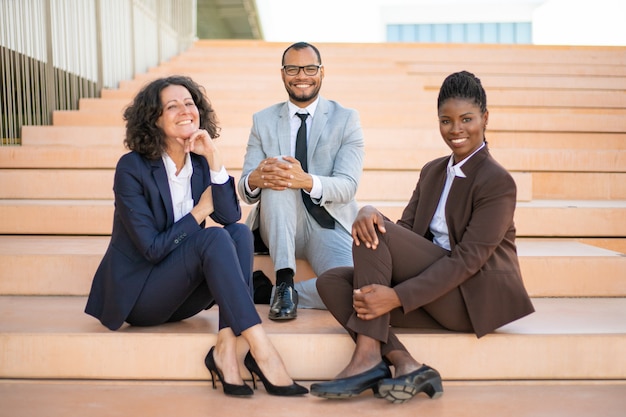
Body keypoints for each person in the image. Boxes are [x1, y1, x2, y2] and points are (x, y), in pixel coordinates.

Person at [310, 71, 535, 403]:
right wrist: (368, 210)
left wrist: (396, 297)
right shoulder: (433, 171)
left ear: (485, 119)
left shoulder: (497, 182)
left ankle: (368, 356)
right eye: (446, 120)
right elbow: (406, 232)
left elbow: (467, 261)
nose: (456, 129)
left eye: (466, 119)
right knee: (331, 281)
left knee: (375, 233)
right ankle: (406, 363)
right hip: (432, 292)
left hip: (470, 299)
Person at [84, 75, 308, 397]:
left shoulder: (200, 163)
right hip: (141, 297)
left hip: (182, 297)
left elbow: (230, 216)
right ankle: (262, 350)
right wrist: (199, 212)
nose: (184, 110)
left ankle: (226, 348)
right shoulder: (131, 169)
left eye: (189, 103)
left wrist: (215, 159)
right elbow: (151, 249)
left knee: (240, 234)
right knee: (213, 239)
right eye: (172, 106)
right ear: (154, 119)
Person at [237, 42, 365, 320]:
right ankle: (284, 279)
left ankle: (268, 293)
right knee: (278, 177)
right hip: (281, 226)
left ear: (321, 72)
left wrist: (305, 180)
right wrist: (256, 179)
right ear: (283, 74)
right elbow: (245, 188)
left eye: (309, 68)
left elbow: (347, 186)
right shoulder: (263, 120)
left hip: (328, 224)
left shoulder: (346, 119)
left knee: (355, 288)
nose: (301, 76)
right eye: (293, 68)